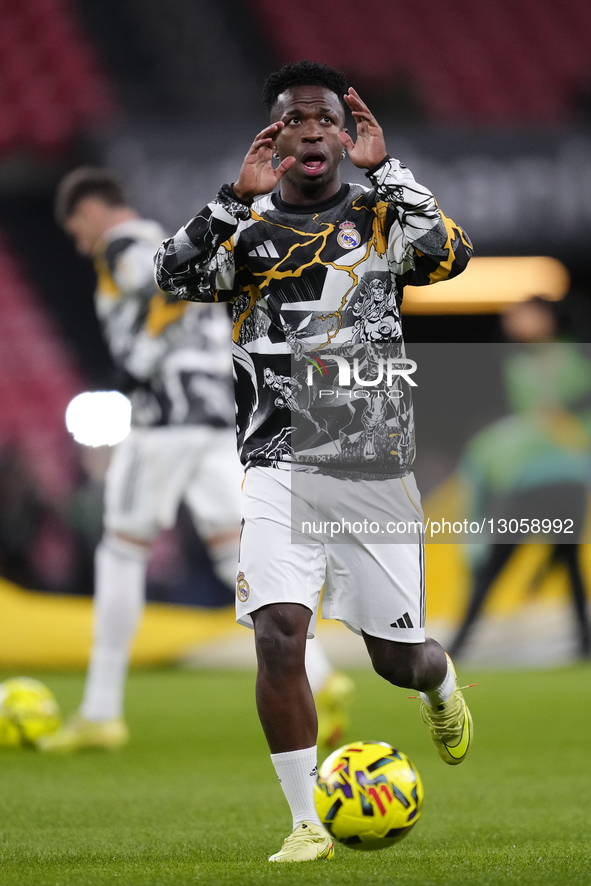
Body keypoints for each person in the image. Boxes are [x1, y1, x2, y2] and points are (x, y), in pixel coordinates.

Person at [155, 60, 475, 863]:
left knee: (399, 659)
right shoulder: (247, 228)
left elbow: (451, 255)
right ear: (275, 134)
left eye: (324, 118)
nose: (309, 129)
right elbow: (169, 274)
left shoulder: (378, 218)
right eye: (293, 119)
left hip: (368, 456)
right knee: (278, 633)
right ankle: (306, 821)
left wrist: (389, 168)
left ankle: (439, 685)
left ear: (343, 133)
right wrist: (230, 198)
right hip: (273, 456)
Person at [39, 167, 352, 753]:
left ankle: (102, 709)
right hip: (214, 418)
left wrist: (153, 344)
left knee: (121, 551)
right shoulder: (184, 243)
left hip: (165, 418)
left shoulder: (126, 245)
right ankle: (324, 676)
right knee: (238, 558)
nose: (82, 245)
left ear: (87, 214)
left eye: (78, 232)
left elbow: (153, 285)